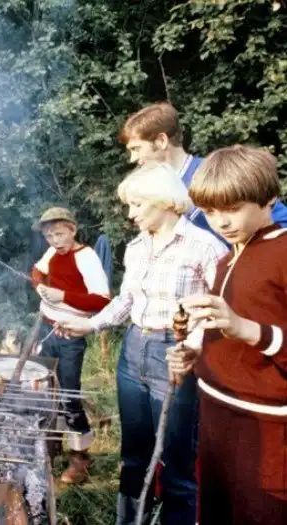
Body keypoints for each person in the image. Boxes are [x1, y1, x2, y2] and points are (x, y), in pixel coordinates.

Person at [55, 161, 228, 525]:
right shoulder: (136, 247)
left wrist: (193, 346)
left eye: (137, 204)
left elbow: (220, 310)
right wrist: (89, 324)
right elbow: (126, 300)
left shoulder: (205, 246)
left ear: (163, 200)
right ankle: (130, 520)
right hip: (133, 351)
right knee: (134, 454)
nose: (130, 214)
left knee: (178, 460)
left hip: (176, 353)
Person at [167, 145, 287, 525]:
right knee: (216, 510)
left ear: (269, 199)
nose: (221, 222)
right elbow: (230, 337)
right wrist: (197, 352)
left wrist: (246, 329)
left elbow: (249, 329)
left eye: (232, 208)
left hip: (266, 426)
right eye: (210, 211)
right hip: (216, 413)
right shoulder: (227, 258)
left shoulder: (283, 252)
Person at [119, 101, 287, 235]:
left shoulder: (217, 172)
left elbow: (279, 218)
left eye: (136, 148)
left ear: (161, 141)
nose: (133, 158)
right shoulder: (154, 190)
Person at [30, 206, 111, 484]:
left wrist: (62, 295)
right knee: (43, 389)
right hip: (46, 328)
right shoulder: (53, 252)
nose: (55, 241)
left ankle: (80, 457)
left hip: (71, 334)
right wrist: (40, 287)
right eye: (49, 236)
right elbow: (36, 271)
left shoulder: (86, 257)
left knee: (69, 395)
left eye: (60, 234)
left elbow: (102, 300)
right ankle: (50, 447)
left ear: (73, 230)